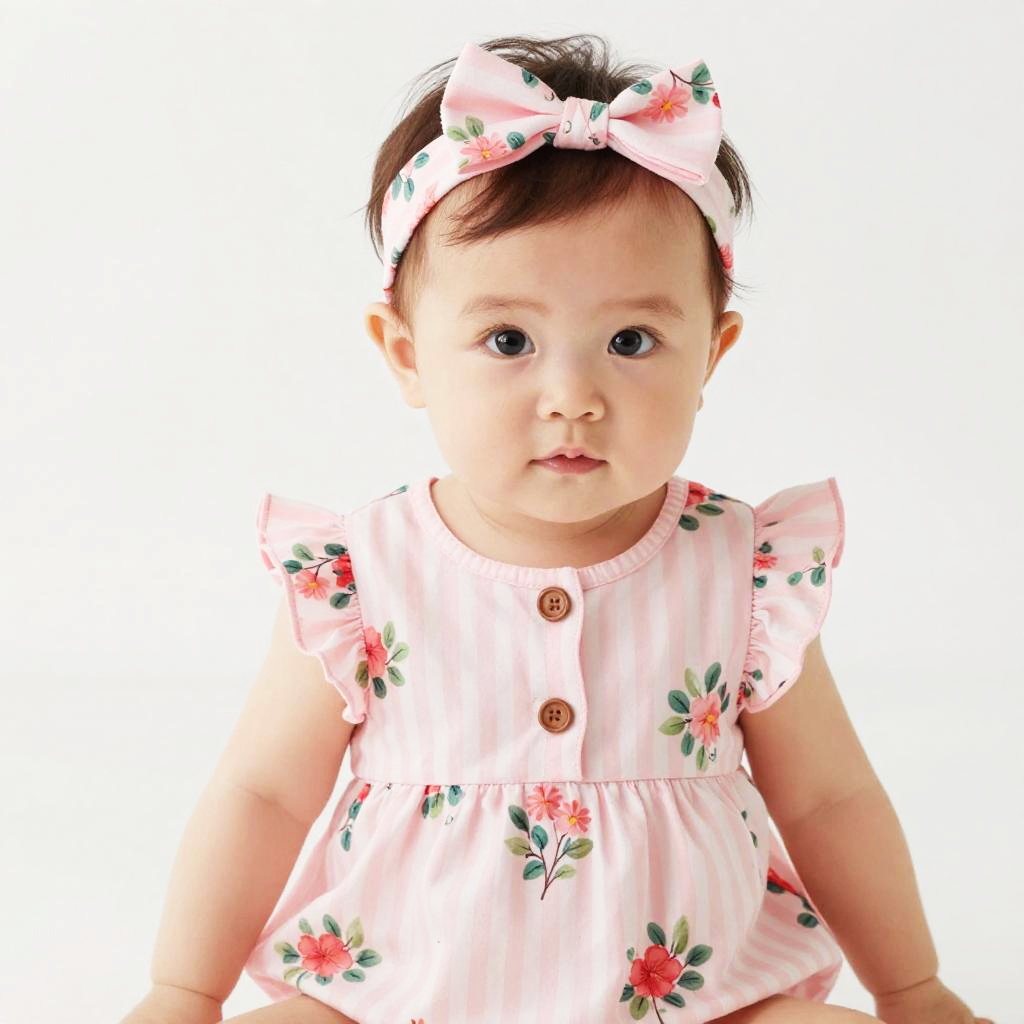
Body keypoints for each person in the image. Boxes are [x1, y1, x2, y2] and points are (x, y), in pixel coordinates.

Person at [119, 33, 995, 1024]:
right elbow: (264, 795)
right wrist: (183, 989)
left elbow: (828, 798)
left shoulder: (741, 571)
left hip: (698, 998)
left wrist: (911, 987)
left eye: (631, 340)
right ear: (405, 353)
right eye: (508, 340)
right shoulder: (361, 574)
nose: (572, 395)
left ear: (711, 353)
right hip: (399, 996)